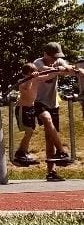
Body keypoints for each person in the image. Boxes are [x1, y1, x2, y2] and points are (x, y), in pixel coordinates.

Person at [12, 62, 80, 167]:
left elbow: (48, 75)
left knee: (30, 131)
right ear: (27, 73)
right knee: (29, 131)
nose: (37, 73)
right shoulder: (22, 81)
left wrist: (58, 70)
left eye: (37, 71)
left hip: (30, 108)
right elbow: (25, 88)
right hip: (22, 108)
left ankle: (22, 152)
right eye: (34, 71)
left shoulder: (36, 79)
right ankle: (20, 153)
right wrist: (31, 78)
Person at [32, 42, 79, 181]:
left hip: (53, 103)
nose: (54, 60)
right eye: (52, 57)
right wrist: (61, 70)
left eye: (56, 57)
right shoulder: (38, 62)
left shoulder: (58, 60)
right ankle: (62, 151)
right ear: (45, 54)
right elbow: (47, 71)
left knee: (50, 137)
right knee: (47, 119)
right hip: (38, 101)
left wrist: (69, 69)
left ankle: (51, 172)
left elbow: (68, 68)